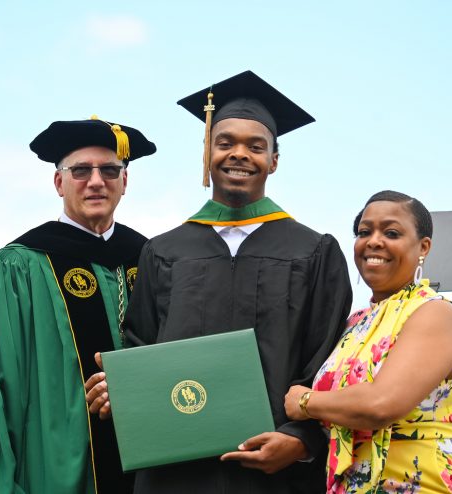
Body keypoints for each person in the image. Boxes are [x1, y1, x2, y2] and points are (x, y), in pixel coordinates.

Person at [86, 70, 353, 493]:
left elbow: (330, 361)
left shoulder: (314, 252)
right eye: (225, 142)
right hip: (175, 469)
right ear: (207, 150)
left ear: (275, 161)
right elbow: (141, 347)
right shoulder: (164, 251)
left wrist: (301, 440)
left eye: (256, 146)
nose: (239, 155)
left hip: (277, 473)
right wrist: (123, 387)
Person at [0, 116, 156, 493]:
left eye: (109, 169)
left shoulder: (155, 262)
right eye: (80, 171)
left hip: (150, 470)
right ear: (59, 182)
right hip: (50, 473)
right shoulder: (19, 266)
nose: (95, 181)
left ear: (125, 181)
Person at [284, 190, 452, 494]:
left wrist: (305, 401)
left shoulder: (435, 314)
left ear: (423, 247)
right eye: (364, 232)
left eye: (391, 232)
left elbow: (382, 403)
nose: (374, 241)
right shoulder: (354, 325)